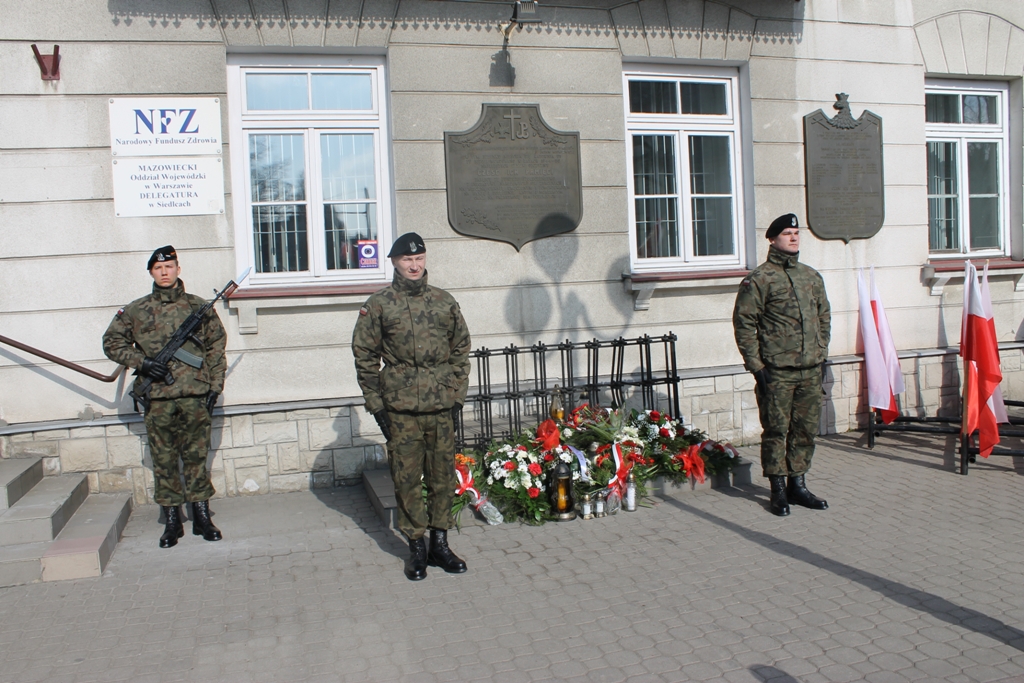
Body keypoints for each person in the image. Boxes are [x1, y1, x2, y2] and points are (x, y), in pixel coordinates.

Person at [352, 233, 472, 581]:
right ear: (394, 262)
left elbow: (461, 350)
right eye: (407, 260)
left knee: (442, 478)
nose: (414, 265)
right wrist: (377, 406)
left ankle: (440, 543)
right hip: (401, 409)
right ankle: (416, 546)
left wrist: (456, 395)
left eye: (419, 259)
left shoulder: (444, 301)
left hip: (439, 405)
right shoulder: (379, 304)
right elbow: (364, 356)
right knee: (405, 480)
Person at [103, 246, 227, 547]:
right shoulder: (135, 310)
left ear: (178, 269)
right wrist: (142, 363)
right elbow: (111, 343)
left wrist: (214, 387)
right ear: (151, 272)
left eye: (169, 266)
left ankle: (201, 516)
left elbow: (216, 347)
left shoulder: (198, 307)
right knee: (164, 459)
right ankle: (172, 521)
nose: (164, 271)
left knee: (197, 458)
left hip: (194, 395)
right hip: (158, 398)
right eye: (158, 268)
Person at [732, 214, 831, 517]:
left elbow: (823, 316)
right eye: (787, 233)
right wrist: (756, 365)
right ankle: (777, 489)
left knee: (805, 430)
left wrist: (821, 351)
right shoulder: (759, 279)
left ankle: (797, 485)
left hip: (810, 369)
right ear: (773, 239)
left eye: (796, 232)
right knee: (776, 430)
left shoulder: (810, 276)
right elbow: (744, 323)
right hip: (776, 371)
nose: (793, 238)